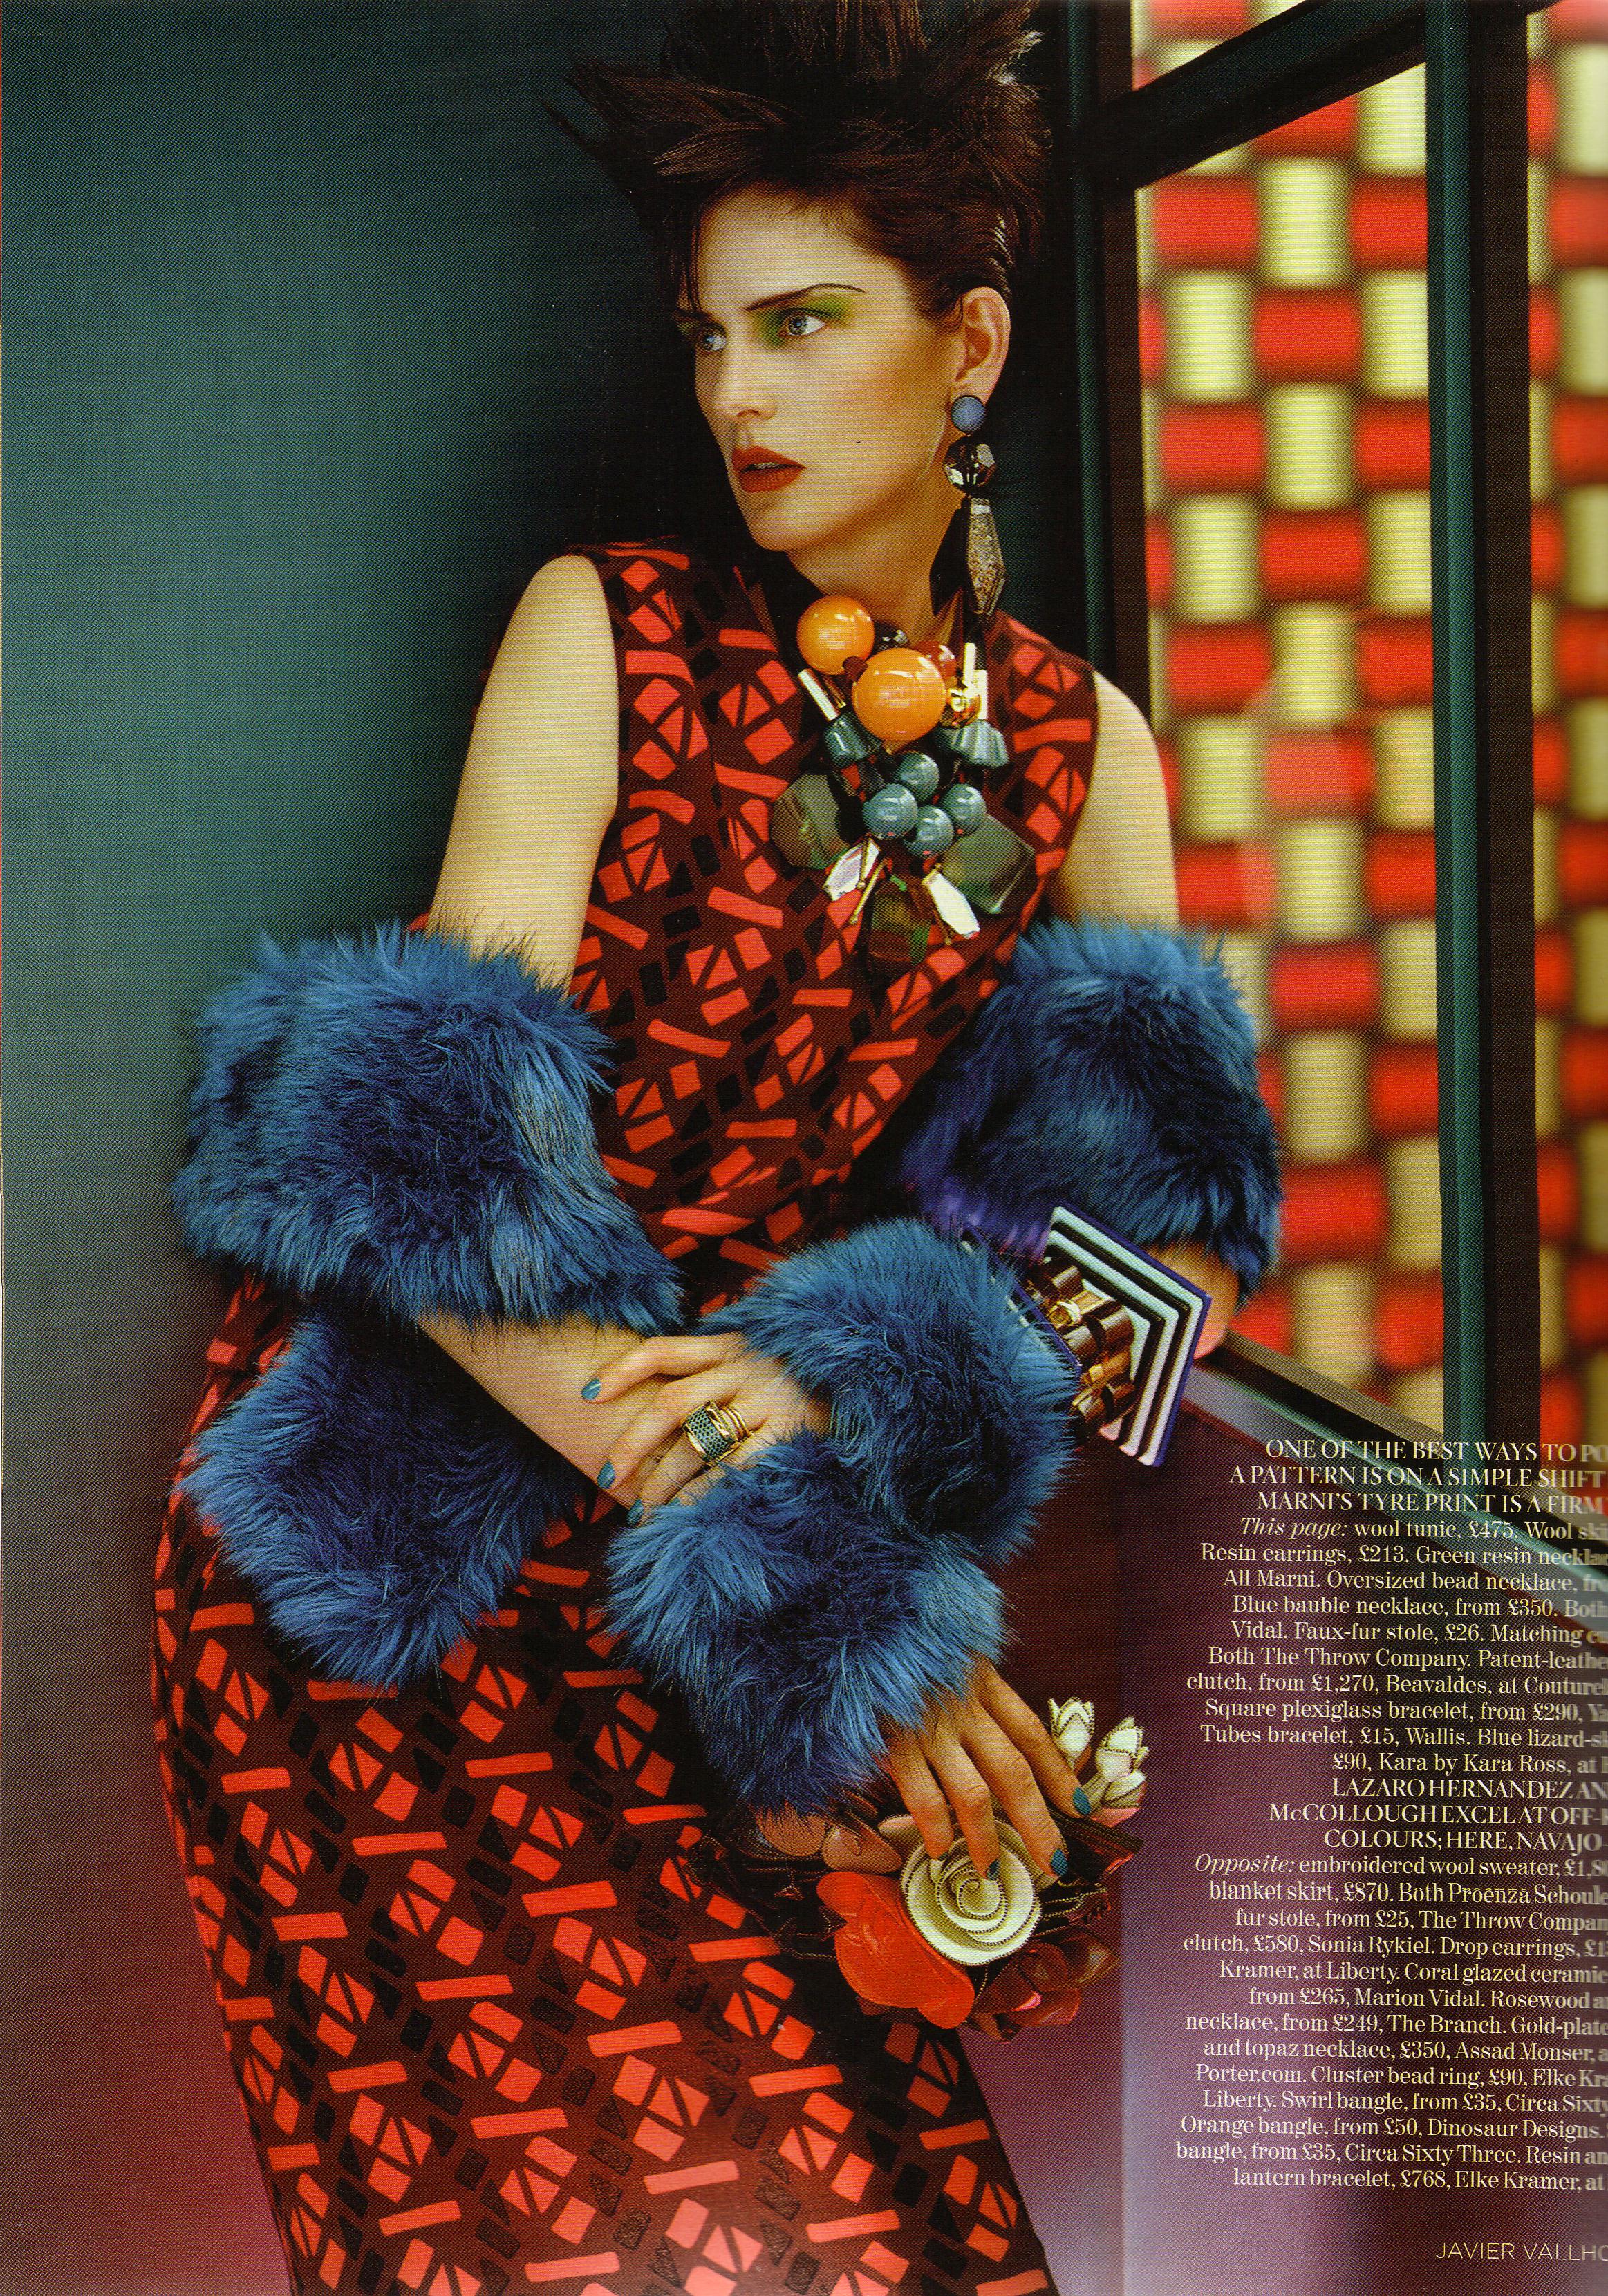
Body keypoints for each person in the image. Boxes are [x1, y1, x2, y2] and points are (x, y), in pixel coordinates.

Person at [151, 5, 1278, 2290]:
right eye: (710, 336)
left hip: (718, 1612)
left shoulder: (1083, 753)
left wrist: (866, 1385)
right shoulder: (611, 634)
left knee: (890, 2239)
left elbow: (1174, 1290)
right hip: (401, 1586)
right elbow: (418, 1184)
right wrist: (839, 1581)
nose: (740, 393)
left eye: (804, 324)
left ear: (967, 347)